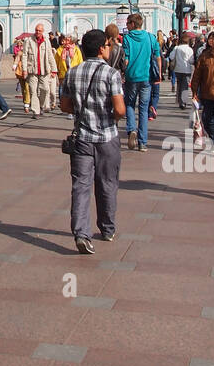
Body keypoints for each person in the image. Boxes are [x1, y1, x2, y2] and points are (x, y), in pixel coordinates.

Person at [60, 29, 126, 254]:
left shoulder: (73, 72)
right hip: (106, 137)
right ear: (101, 48)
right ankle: (107, 228)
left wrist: (82, 113)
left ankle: (81, 233)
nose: (109, 49)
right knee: (107, 183)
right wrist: (112, 118)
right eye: (108, 45)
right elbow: (119, 108)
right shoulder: (111, 74)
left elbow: (65, 106)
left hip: (82, 138)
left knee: (80, 186)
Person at [120, 14, 159, 151]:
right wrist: (158, 74)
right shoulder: (150, 37)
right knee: (143, 109)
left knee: (129, 104)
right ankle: (143, 142)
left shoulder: (127, 38)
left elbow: (126, 59)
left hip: (131, 77)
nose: (126, 26)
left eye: (127, 23)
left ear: (132, 24)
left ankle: (132, 130)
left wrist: (123, 72)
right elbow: (157, 56)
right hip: (146, 77)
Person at [24, 23, 55, 116]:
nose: (37, 32)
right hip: (32, 70)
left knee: (45, 89)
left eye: (39, 31)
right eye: (36, 30)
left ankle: (41, 106)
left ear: (43, 31)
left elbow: (50, 55)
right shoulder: (28, 40)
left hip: (44, 70)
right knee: (33, 91)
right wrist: (24, 69)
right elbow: (25, 55)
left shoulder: (46, 41)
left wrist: (54, 69)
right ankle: (35, 111)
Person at [171, 32, 195, 108]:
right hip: (186, 69)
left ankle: (179, 100)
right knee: (185, 86)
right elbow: (191, 61)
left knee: (179, 84)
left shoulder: (177, 48)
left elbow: (171, 57)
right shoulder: (189, 49)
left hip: (177, 69)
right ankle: (183, 102)